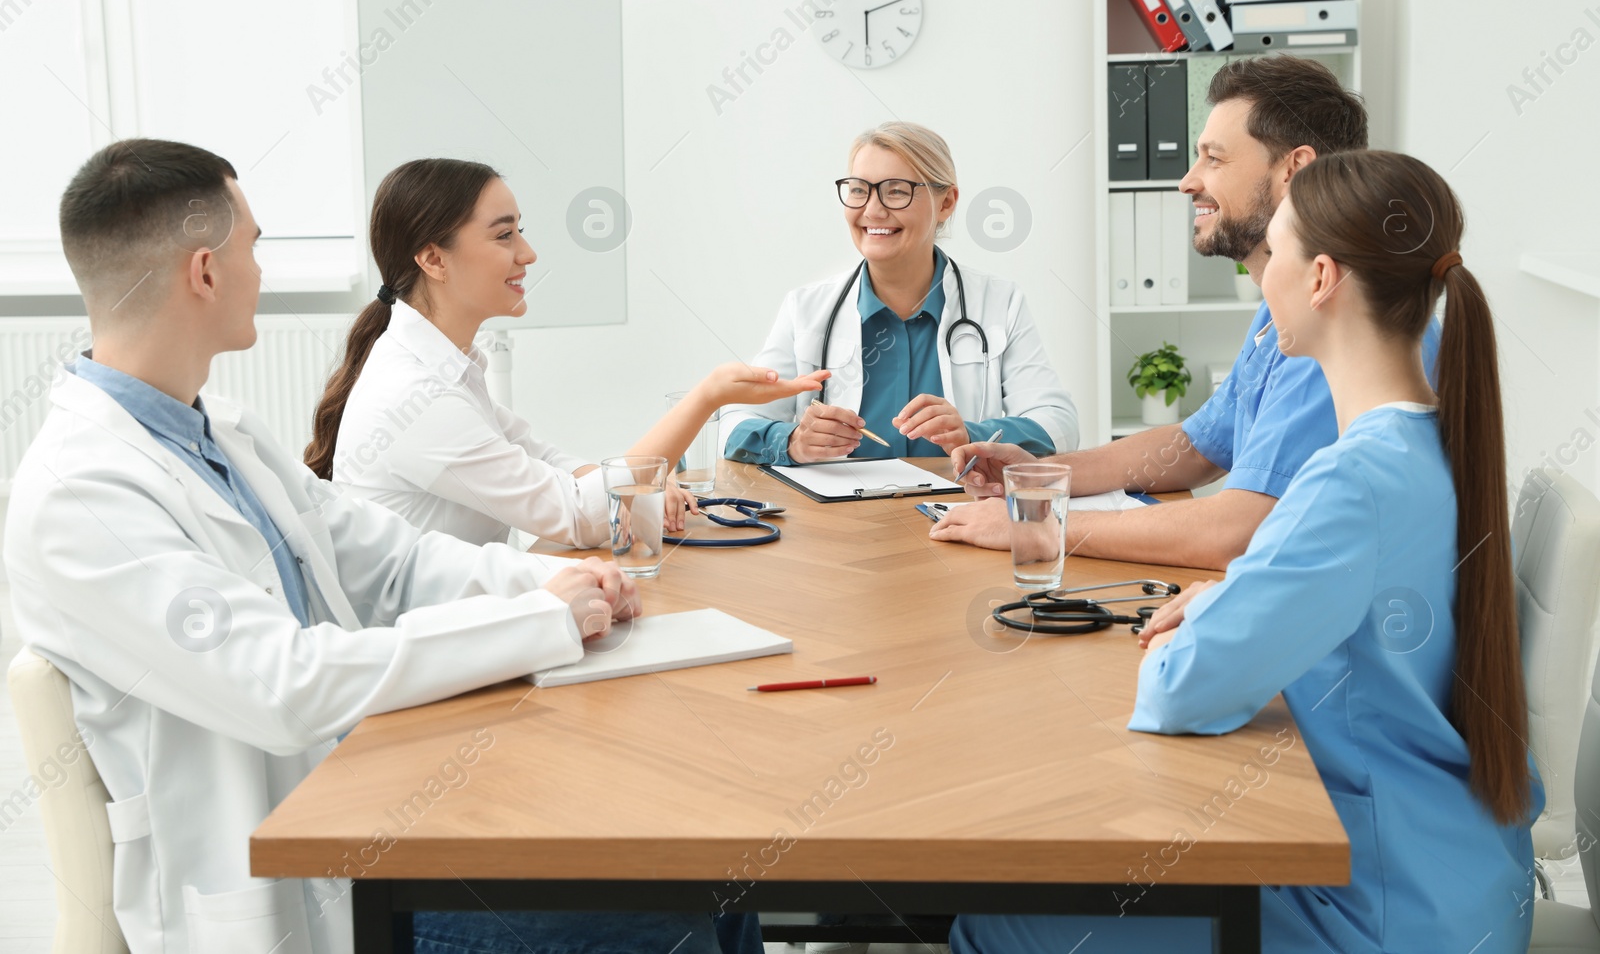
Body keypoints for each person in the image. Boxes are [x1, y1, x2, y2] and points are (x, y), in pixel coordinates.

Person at [2, 139, 724, 954]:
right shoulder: (79, 494)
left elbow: (395, 561)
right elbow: (285, 686)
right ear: (204, 271)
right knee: (679, 919)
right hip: (295, 885)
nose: (261, 271)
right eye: (254, 247)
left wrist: (564, 579)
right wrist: (541, 620)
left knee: (714, 891)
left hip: (375, 803)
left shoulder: (224, 430)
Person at [952, 150, 1541, 952]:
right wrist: (1232, 600)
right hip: (1454, 875)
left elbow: (1180, 692)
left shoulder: (1350, 480)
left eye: (1279, 253)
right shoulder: (1437, 441)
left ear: (1323, 277)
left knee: (998, 920)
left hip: (1379, 907)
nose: (1263, 277)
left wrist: (1212, 615)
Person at [932, 56, 1437, 570]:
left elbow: (1237, 533)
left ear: (1295, 170)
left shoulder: (1333, 327)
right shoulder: (1281, 314)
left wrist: (1037, 526)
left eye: (1214, 159)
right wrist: (1043, 473)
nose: (1187, 181)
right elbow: (1197, 446)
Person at [306, 157, 826, 551]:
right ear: (433, 259)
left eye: (520, 231)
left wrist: (645, 485)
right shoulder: (416, 396)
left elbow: (546, 459)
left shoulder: (448, 368)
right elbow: (579, 516)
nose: (527, 254)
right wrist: (705, 399)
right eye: (504, 235)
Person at [719, 122, 1077, 466]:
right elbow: (733, 425)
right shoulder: (806, 309)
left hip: (959, 516)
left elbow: (1059, 425)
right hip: (839, 524)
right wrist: (793, 441)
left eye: (896, 191)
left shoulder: (1000, 303)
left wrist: (972, 435)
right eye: (859, 189)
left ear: (947, 202)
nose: (872, 210)